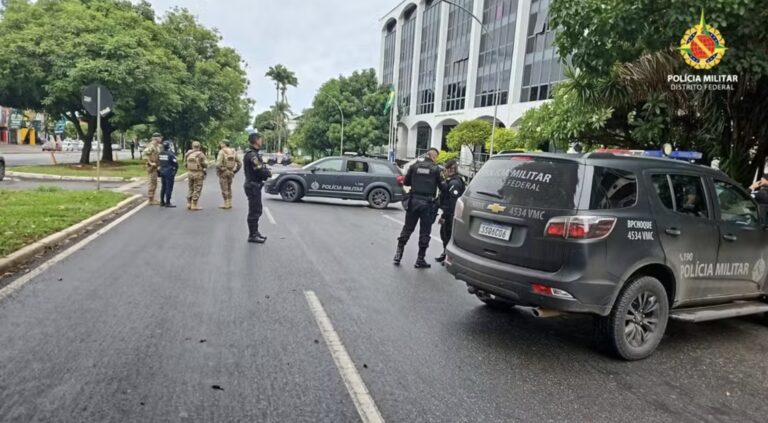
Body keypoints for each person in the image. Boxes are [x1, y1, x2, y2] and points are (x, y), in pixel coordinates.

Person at [394, 147, 445, 269]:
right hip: (427, 205)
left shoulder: (414, 166)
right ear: (433, 156)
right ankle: (420, 259)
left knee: (407, 229)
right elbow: (443, 187)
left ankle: (398, 254)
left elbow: (406, 183)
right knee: (425, 232)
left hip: (413, 202)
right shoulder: (436, 169)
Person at [435, 159, 466, 263]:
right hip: (449, 213)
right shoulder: (451, 181)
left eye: (446, 169)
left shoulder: (454, 183)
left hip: (451, 214)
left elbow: (451, 203)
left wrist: (444, 216)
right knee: (444, 234)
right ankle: (445, 253)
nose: (445, 171)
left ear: (450, 170)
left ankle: (450, 257)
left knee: (448, 235)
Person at [243, 133, 271, 243]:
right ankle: (252, 235)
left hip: (254, 185)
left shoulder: (253, 154)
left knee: (256, 209)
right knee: (254, 211)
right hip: (253, 186)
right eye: (260, 139)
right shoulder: (252, 155)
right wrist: (268, 173)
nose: (262, 141)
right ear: (256, 141)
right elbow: (259, 170)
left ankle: (255, 232)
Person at [216, 140, 242, 209]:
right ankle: (230, 202)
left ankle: (226, 203)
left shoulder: (221, 152)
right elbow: (239, 163)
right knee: (229, 187)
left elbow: (218, 164)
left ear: (224, 144)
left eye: (221, 143)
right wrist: (235, 170)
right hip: (231, 172)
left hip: (223, 172)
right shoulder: (233, 152)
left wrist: (221, 169)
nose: (220, 144)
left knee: (224, 188)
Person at [184, 141, 208, 211]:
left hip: (190, 173)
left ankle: (188, 203)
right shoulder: (200, 154)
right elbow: (205, 164)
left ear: (192, 146)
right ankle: (194, 204)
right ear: (199, 146)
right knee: (197, 188)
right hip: (198, 173)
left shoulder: (188, 153)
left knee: (190, 187)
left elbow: (185, 163)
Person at [158, 141, 178, 208]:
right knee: (169, 187)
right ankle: (168, 202)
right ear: (169, 146)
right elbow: (175, 163)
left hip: (162, 172)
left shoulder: (160, 153)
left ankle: (162, 202)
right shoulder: (170, 154)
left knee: (163, 187)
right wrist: (175, 170)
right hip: (169, 172)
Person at [144, 133, 162, 205]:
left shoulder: (157, 146)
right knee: (151, 182)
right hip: (151, 166)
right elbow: (145, 155)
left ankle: (152, 198)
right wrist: (151, 163)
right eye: (160, 138)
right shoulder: (151, 146)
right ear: (156, 138)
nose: (161, 139)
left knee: (154, 182)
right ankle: (150, 199)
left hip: (155, 166)